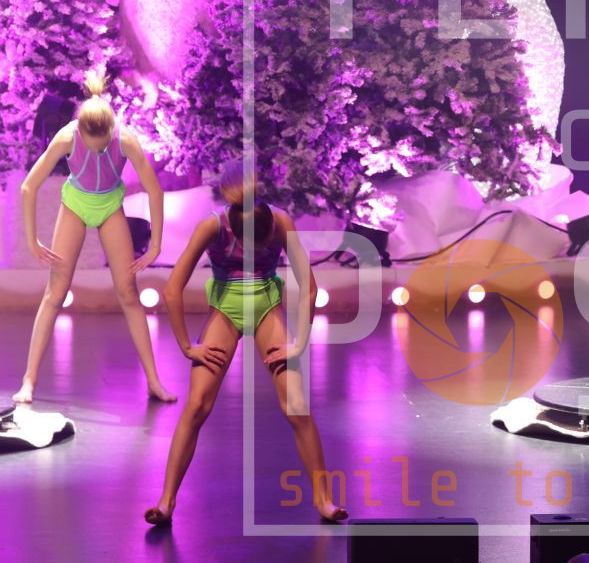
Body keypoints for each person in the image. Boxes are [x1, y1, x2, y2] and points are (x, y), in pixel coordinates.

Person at [144, 160, 346, 525]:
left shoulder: (280, 221)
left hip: (266, 306)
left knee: (296, 406)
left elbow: (309, 288)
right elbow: (172, 290)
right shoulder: (212, 226)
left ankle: (324, 501)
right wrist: (187, 346)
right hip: (225, 308)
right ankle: (166, 501)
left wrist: (299, 344)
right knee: (197, 406)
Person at [13, 70, 175, 404]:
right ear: (82, 131)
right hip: (76, 205)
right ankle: (29, 380)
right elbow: (29, 186)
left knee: (128, 292)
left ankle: (154, 381)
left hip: (109, 205)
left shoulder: (125, 140)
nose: (100, 151)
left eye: (104, 146)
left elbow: (155, 191)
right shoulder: (67, 137)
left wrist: (157, 245)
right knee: (55, 292)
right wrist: (31, 240)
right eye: (93, 146)